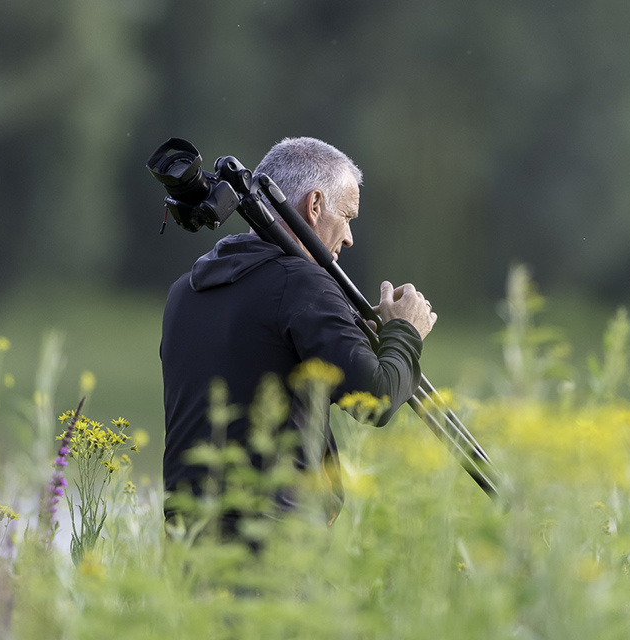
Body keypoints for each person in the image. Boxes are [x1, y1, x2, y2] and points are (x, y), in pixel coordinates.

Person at [161, 136, 436, 537]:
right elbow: (374, 400)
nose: (349, 237)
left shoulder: (184, 292)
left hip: (187, 540)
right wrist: (406, 331)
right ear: (314, 205)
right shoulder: (303, 284)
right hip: (271, 545)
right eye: (348, 217)